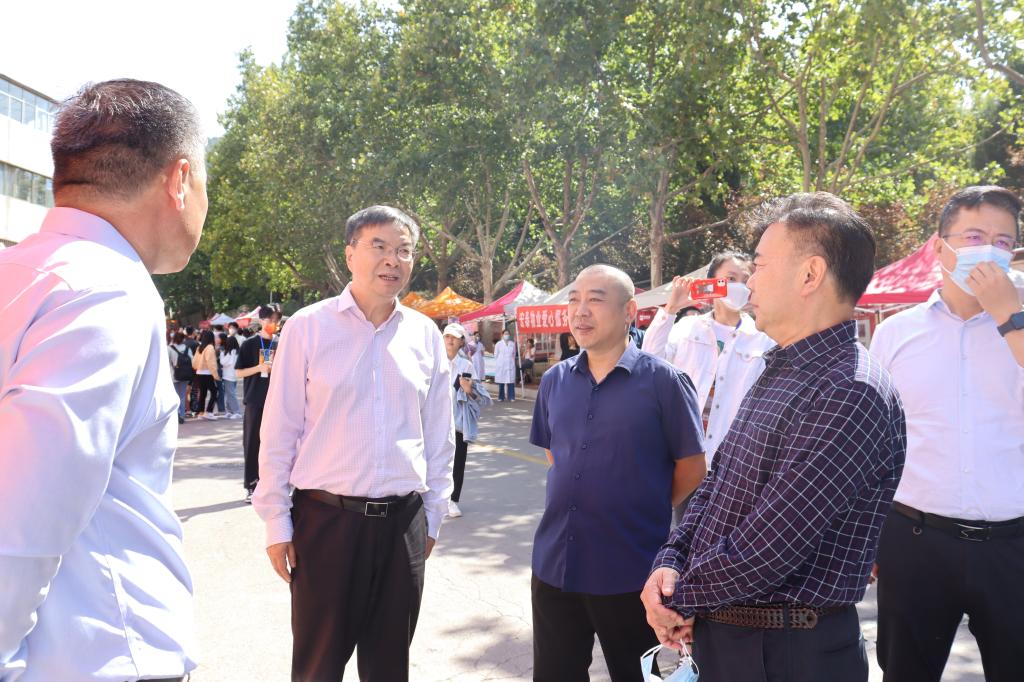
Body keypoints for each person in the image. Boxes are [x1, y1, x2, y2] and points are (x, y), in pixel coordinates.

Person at [642, 192, 906, 682]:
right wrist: (670, 560)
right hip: (733, 633)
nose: (750, 283)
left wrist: (677, 597)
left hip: (786, 652)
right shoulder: (782, 365)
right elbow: (717, 483)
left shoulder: (849, 390)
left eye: (760, 266)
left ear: (810, 274)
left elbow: (770, 547)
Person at [0, 79, 205, 681]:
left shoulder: (19, 274)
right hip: (99, 658)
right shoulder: (105, 291)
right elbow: (22, 519)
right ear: (180, 179)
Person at [252, 205, 455, 682]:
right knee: (318, 667)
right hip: (326, 523)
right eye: (379, 246)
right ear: (350, 255)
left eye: (404, 250)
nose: (392, 260)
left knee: (389, 668)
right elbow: (279, 430)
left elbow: (439, 434)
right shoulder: (308, 326)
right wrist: (276, 521)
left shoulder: (425, 335)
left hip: (403, 525)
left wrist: (434, 515)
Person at [869, 186, 1024, 682]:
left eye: (1003, 241)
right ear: (940, 248)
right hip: (914, 540)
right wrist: (869, 534)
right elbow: (876, 442)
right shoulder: (896, 332)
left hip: (1013, 544)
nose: (990, 251)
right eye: (974, 236)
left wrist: (1010, 316)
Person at [529, 264, 706, 682]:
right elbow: (557, 454)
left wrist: (643, 502)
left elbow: (693, 466)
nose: (580, 311)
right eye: (574, 300)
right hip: (555, 564)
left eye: (595, 300)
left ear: (629, 311)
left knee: (635, 674)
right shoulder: (555, 380)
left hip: (630, 570)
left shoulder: (664, 381)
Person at [642, 251, 777, 466]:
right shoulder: (688, 328)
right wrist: (671, 308)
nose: (738, 286)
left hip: (729, 460)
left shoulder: (764, 340)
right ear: (712, 282)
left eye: (745, 280)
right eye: (731, 278)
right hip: (678, 455)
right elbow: (649, 360)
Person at [442, 323, 492, 519]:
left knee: (458, 462)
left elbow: (478, 397)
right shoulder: (433, 362)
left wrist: (469, 389)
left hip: (458, 422)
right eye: (447, 336)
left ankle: (453, 500)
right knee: (434, 461)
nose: (450, 340)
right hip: (435, 422)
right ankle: (432, 499)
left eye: (454, 337)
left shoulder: (466, 366)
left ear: (461, 341)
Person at [235, 304, 281, 501]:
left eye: (277, 320)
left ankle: (275, 485)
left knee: (278, 445)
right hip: (255, 400)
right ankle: (252, 484)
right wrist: (259, 368)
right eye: (271, 320)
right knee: (253, 443)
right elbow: (238, 372)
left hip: (278, 401)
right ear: (261, 320)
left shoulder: (282, 343)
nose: (274, 324)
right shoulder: (249, 344)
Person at [191, 329, 220, 420]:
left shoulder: (200, 347)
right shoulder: (210, 347)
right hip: (207, 373)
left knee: (203, 393)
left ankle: (201, 413)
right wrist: (216, 375)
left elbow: (194, 361)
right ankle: (209, 412)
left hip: (199, 373)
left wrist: (197, 368)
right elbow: (211, 363)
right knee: (214, 392)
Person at [168, 330, 194, 424]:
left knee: (174, 396)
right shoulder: (187, 348)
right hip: (185, 375)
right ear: (183, 339)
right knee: (182, 395)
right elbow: (192, 360)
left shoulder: (169, 348)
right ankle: (182, 416)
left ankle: (176, 415)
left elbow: (167, 362)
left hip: (173, 375)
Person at [220, 334, 242, 419]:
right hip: (234, 375)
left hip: (228, 376)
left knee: (230, 394)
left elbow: (223, 362)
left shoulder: (229, 352)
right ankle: (230, 411)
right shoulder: (237, 352)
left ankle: (236, 412)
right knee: (229, 394)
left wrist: (222, 354)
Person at [493, 329, 518, 401]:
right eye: (505, 334)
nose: (507, 335)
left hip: (510, 364)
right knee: (501, 381)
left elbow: (514, 354)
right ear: (502, 335)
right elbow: (495, 355)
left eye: (508, 334)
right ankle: (501, 397)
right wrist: (499, 363)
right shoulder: (498, 344)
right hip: (501, 365)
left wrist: (511, 361)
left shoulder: (512, 344)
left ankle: (511, 397)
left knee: (510, 381)